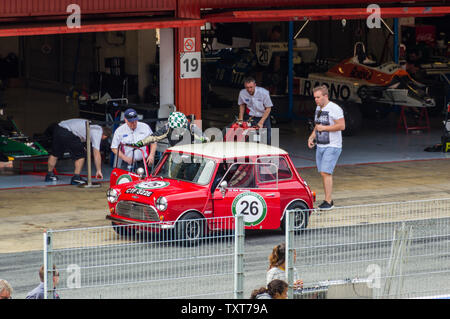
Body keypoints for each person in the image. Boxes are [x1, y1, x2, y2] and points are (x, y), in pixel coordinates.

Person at [307, 85, 345, 210]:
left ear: (325, 96)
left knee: (326, 172)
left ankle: (328, 201)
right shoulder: (318, 108)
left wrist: (325, 128)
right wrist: (312, 136)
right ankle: (328, 200)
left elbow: (342, 126)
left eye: (318, 97)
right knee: (323, 173)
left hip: (332, 145)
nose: (316, 100)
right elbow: (318, 125)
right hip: (321, 145)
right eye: (315, 97)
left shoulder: (335, 108)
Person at [45, 119, 112, 185]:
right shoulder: (98, 132)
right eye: (103, 139)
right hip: (68, 132)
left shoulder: (93, 126)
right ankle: (76, 178)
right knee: (81, 155)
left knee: (54, 154)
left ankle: (49, 175)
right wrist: (99, 170)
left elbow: (79, 136)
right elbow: (96, 153)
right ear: (104, 136)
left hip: (58, 128)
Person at [132, 111, 208, 149]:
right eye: (174, 128)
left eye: (178, 128)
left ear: (185, 124)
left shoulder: (192, 128)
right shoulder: (168, 128)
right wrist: (140, 143)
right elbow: (154, 136)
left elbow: (205, 139)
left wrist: (204, 139)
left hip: (191, 154)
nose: (176, 130)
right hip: (175, 153)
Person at [237, 77, 273, 145]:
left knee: (266, 139)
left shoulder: (264, 93)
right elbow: (242, 105)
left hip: (264, 117)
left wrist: (261, 122)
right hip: (251, 117)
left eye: (251, 87)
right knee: (251, 139)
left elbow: (268, 108)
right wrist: (240, 119)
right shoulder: (242, 93)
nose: (249, 89)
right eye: (247, 87)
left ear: (255, 85)